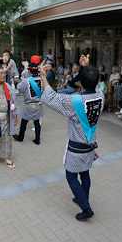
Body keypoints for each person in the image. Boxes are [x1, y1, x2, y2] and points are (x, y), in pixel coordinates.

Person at [39, 54, 104, 221]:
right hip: (90, 142)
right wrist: (86, 67)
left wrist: (43, 77)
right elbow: (92, 83)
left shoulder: (75, 101)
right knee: (85, 172)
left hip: (77, 145)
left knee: (71, 175)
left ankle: (86, 208)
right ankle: (83, 197)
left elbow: (50, 97)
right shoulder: (100, 96)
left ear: (80, 82)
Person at [14, 56, 44, 144]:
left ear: (29, 71)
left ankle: (20, 137)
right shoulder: (42, 80)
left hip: (29, 105)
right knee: (37, 122)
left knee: (24, 121)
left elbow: (19, 89)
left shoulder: (26, 81)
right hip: (39, 105)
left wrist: (22, 80)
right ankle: (37, 139)